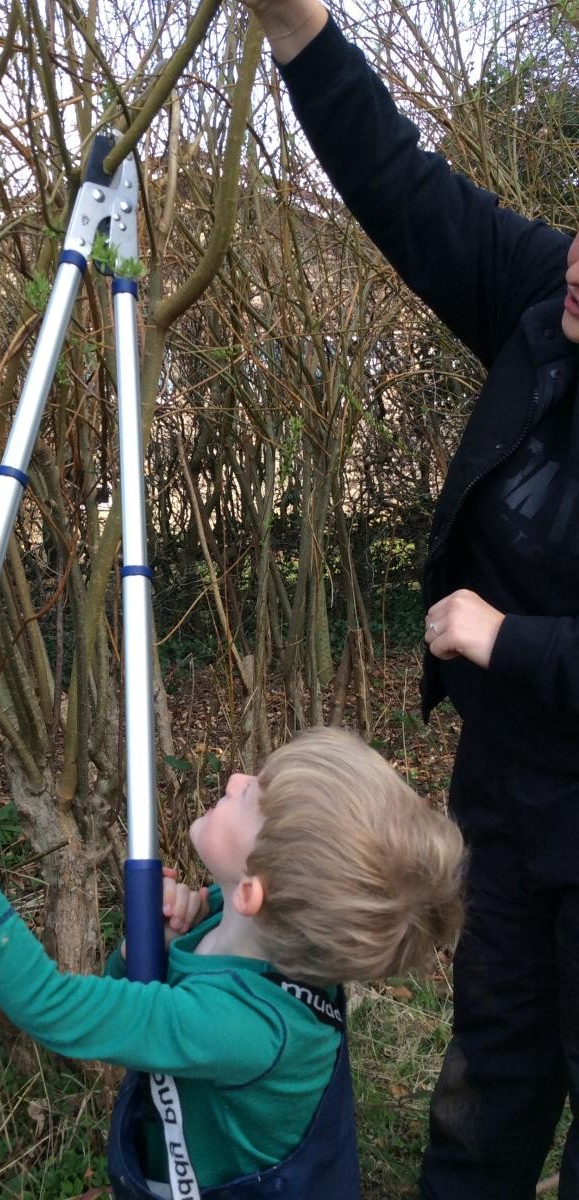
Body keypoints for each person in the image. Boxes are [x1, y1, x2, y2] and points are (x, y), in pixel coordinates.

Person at [240, 2, 579, 1197]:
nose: (577, 267)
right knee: (492, 1052)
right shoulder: (547, 302)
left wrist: (508, 639)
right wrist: (300, 31)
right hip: (509, 778)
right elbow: (409, 195)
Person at [0, 727, 464, 1198]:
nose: (233, 778)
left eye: (251, 796)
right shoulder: (265, 926)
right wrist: (178, 931)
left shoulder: (245, 1029)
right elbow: (140, 983)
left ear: (257, 890)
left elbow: (52, 1005)